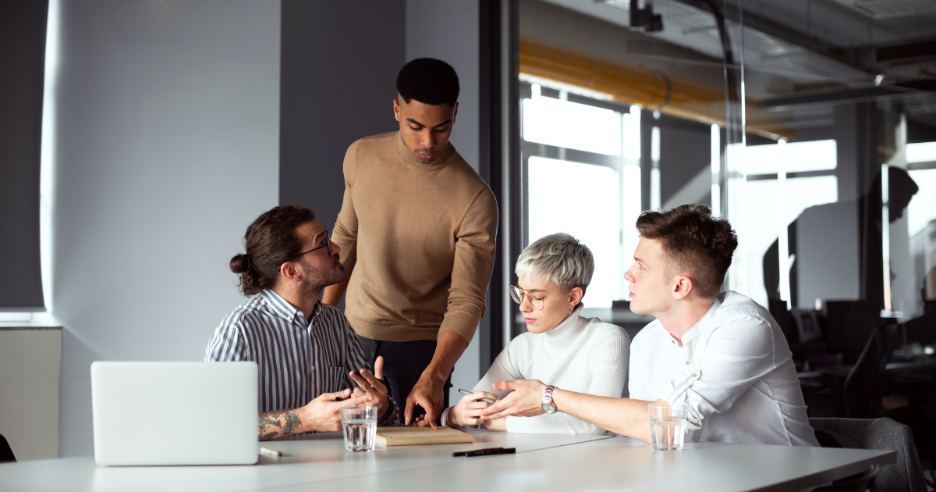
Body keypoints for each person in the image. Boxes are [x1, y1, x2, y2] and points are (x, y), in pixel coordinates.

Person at [480, 205, 820, 446]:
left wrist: (549, 396)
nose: (628, 274)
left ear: (680, 286)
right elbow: (642, 433)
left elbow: (666, 420)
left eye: (641, 266)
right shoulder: (647, 341)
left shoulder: (744, 326)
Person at [323, 58, 498, 427]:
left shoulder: (475, 199)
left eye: (441, 127)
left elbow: (467, 299)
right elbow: (346, 238)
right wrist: (318, 321)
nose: (427, 142)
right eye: (415, 126)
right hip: (349, 334)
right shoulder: (360, 156)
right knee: (336, 446)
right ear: (396, 108)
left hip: (420, 350)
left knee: (416, 462)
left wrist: (435, 373)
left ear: (455, 114)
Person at [206, 205, 396, 440]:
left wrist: (381, 406)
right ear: (291, 271)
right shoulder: (239, 331)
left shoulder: (337, 323)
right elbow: (213, 424)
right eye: (322, 244)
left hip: (337, 472)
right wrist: (305, 419)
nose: (336, 248)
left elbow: (381, 417)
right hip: (268, 474)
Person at [442, 233, 630, 434]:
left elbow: (596, 425)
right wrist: (453, 416)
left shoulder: (607, 339)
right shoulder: (522, 346)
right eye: (520, 293)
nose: (523, 306)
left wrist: (505, 423)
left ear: (573, 297)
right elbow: (477, 404)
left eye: (537, 297)